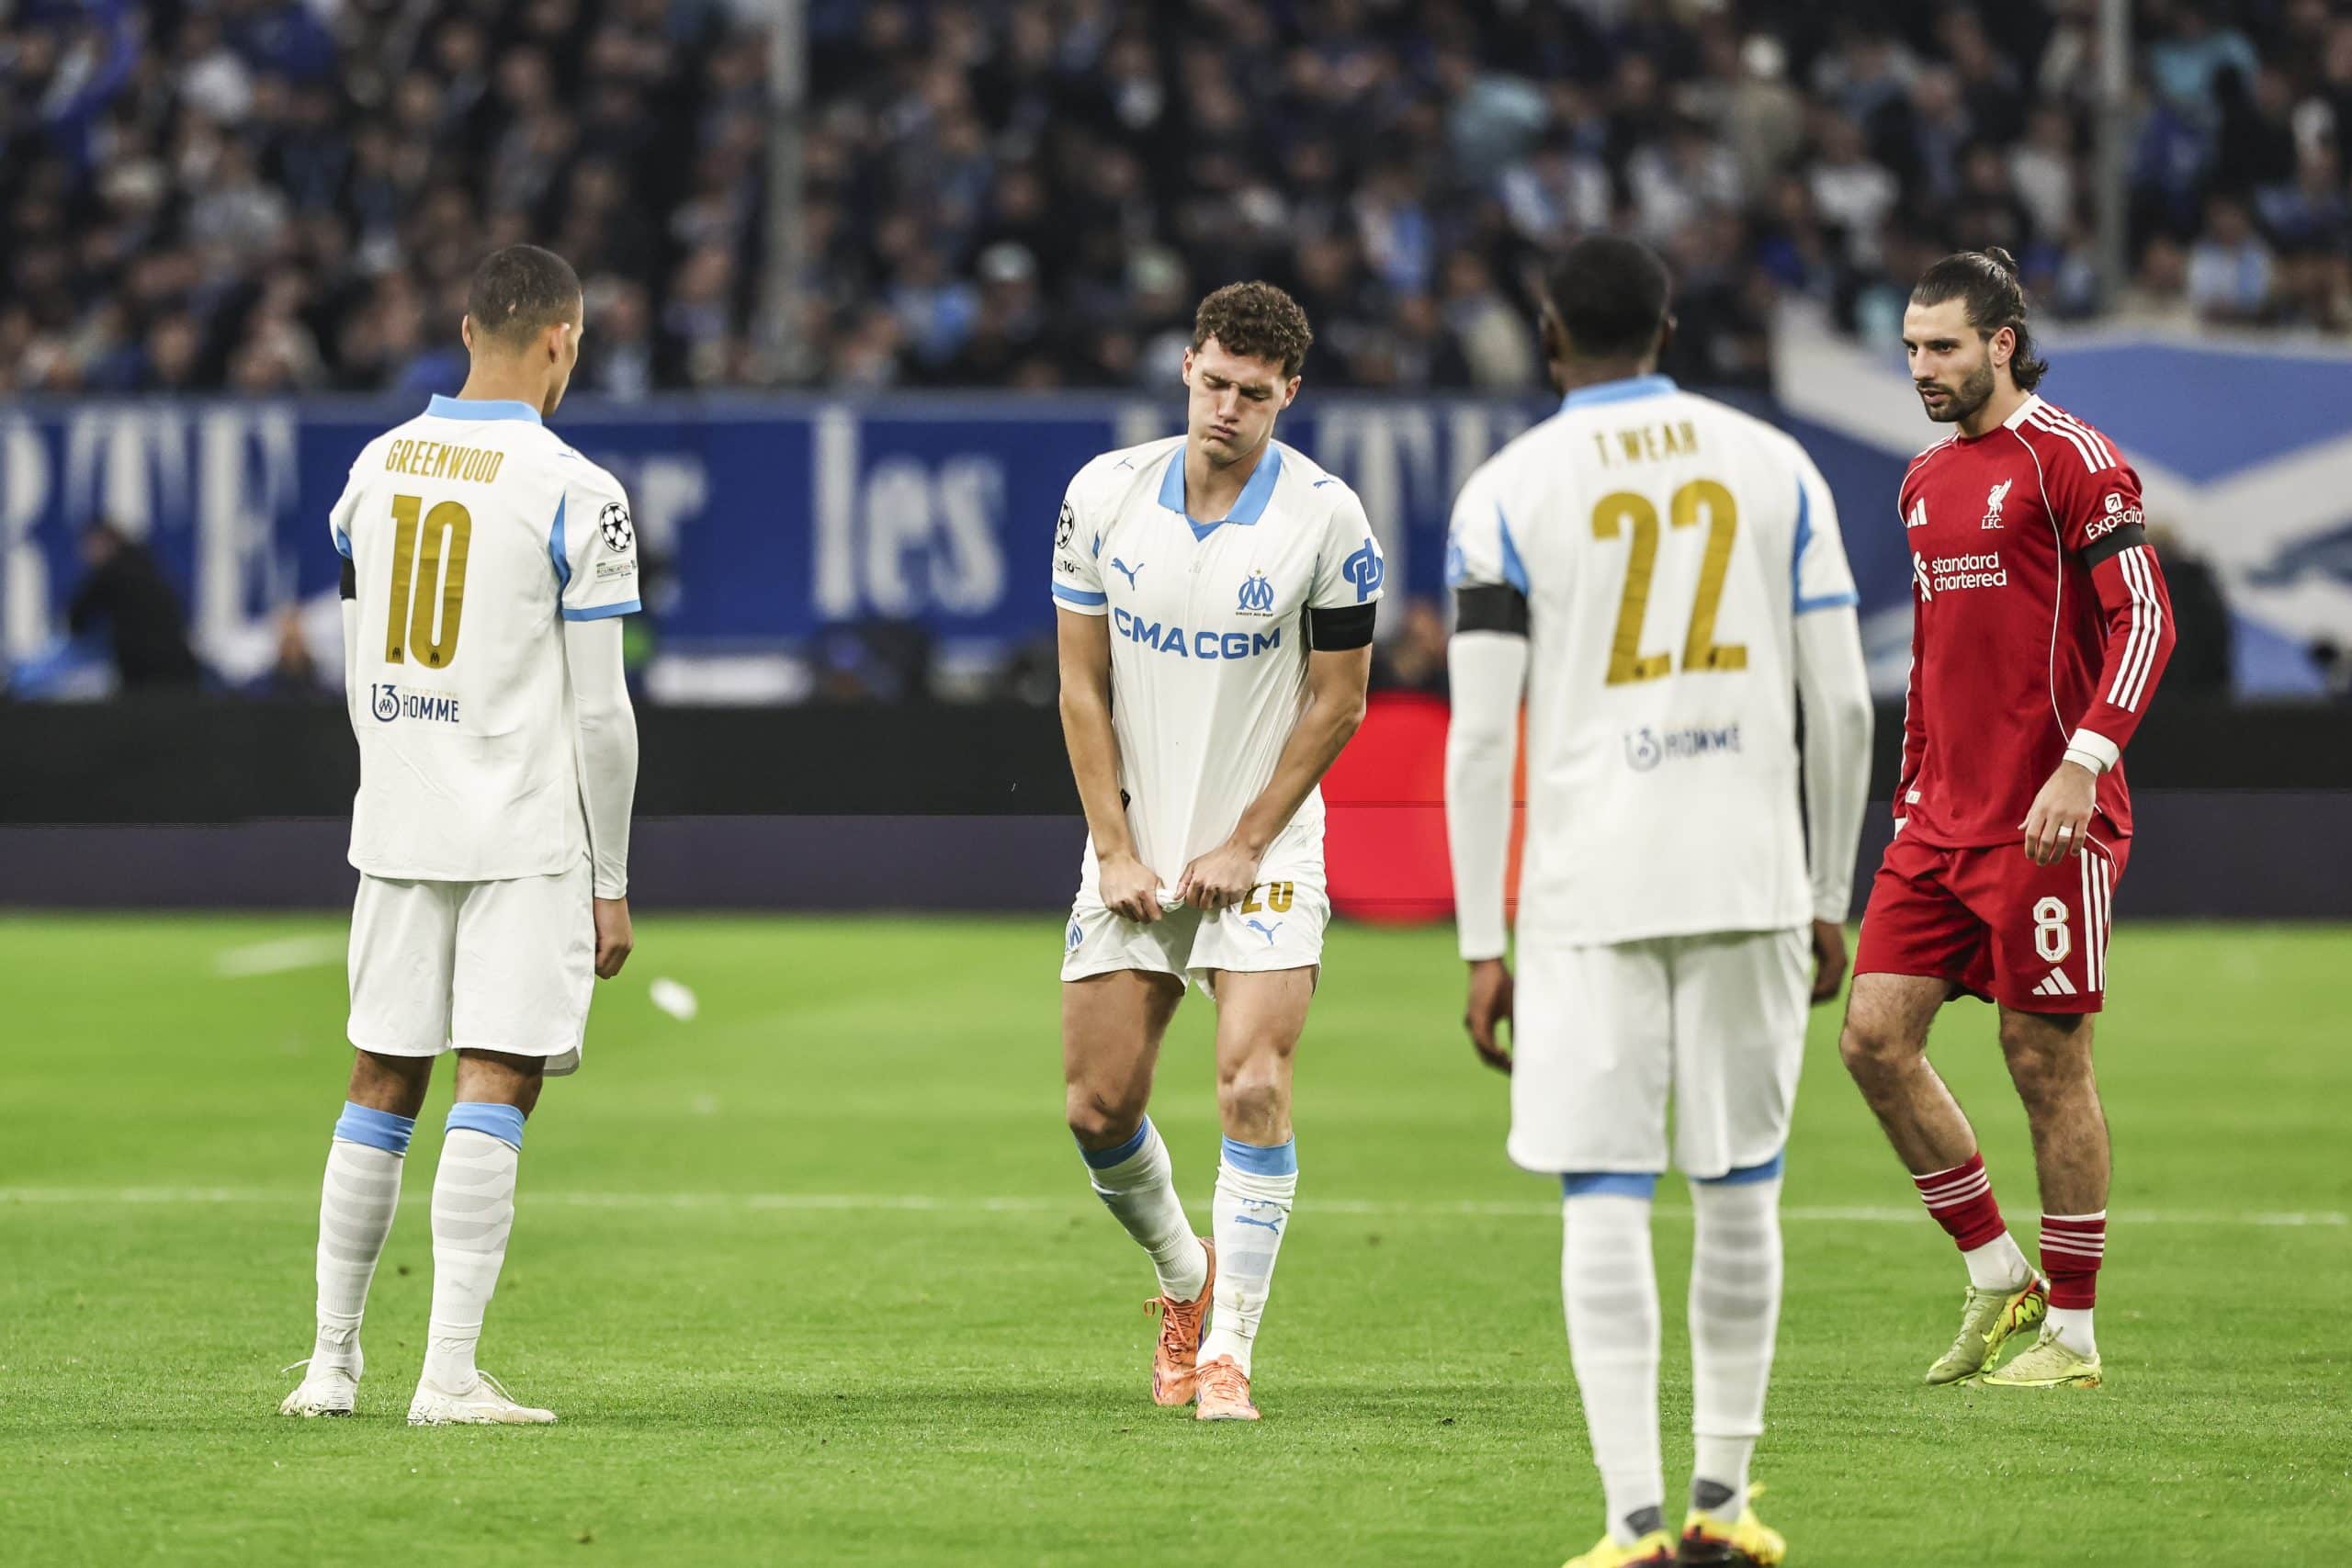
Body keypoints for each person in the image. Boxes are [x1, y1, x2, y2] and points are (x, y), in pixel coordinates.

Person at [1445, 235, 1874, 1568]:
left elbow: (1478, 736)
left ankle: (1633, 1520)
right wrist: (1824, 887)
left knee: (1605, 1191)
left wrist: (1480, 936)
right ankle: (1727, 1502)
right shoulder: (1775, 466)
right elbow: (1846, 703)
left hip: (1589, 884)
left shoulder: (1507, 490)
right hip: (1749, 866)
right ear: (1671, 325)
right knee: (1742, 1186)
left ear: (1550, 332)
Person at [277, 244, 642, 1426]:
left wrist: (390, 774)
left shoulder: (372, 469)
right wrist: (612, 877)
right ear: (561, 342)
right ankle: (447, 1374)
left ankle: (330, 1365)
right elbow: (601, 712)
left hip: (396, 816)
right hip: (521, 830)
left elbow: (352, 659)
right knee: (499, 1077)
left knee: (379, 1076)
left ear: (466, 325)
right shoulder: (575, 488)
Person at [1843, 248, 2177, 1393]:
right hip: (1937, 824)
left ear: (2000, 341)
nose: (1921, 368)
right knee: (1872, 1040)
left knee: (2042, 1057)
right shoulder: (1925, 479)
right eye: (1909, 349)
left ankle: (2073, 1338)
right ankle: (1996, 1273)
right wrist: (1907, 800)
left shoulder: (2072, 462)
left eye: (1940, 346)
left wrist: (2081, 765)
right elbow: (1932, 664)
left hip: (2047, 820)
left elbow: (2146, 624)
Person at [1053, 281, 1383, 1423]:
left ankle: (1229, 1350)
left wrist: (1247, 840)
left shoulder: (1328, 520)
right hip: (1139, 846)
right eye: (1213, 383)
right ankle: (1188, 1288)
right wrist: (1114, 849)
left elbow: (1339, 701)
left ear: (1289, 394)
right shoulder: (1103, 495)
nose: (1227, 409)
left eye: (1253, 393)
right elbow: (1079, 684)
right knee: (1096, 1107)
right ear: (1185, 367)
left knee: (1251, 1081)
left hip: (1267, 846)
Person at [68, 521, 201, 687]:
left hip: (142, 668)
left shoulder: (112, 571)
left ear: (105, 542)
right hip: (178, 667)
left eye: (90, 546)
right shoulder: (149, 565)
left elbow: (77, 614)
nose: (86, 555)